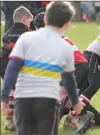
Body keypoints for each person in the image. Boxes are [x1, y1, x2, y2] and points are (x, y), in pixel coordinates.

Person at [1, 2, 85, 135]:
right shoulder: (66, 48)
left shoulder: (25, 38)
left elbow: (11, 69)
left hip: (23, 99)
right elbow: (69, 79)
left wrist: (4, 96)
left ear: (45, 19)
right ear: (67, 24)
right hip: (48, 101)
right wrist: (75, 101)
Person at [32, 12, 100, 132]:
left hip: (76, 68)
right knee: (69, 99)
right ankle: (96, 119)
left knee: (62, 98)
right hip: (81, 67)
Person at [0, 6, 33, 131]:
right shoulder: (28, 34)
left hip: (3, 64)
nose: (30, 24)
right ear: (24, 19)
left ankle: (9, 121)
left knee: (12, 91)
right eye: (30, 21)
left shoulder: (8, 32)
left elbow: (6, 44)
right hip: (16, 64)